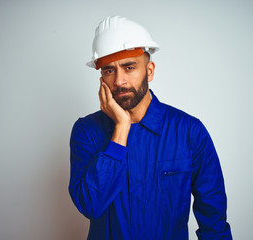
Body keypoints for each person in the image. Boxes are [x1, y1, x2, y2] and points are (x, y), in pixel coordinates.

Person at [69, 16, 232, 240]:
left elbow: (213, 221)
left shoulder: (189, 132)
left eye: (129, 67)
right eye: (109, 70)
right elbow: (90, 205)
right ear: (101, 78)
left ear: (150, 71)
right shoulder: (86, 132)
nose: (119, 81)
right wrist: (121, 128)